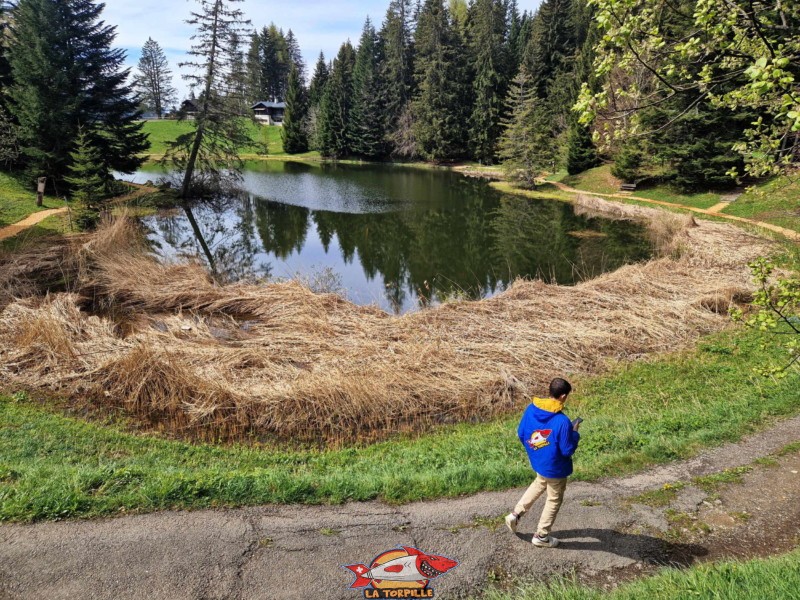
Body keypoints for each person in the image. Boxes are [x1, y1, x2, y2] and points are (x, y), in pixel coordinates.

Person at [505, 377, 581, 548]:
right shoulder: (562, 421)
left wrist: (535, 449)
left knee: (539, 483)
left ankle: (515, 515)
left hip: (539, 461)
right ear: (562, 396)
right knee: (553, 499)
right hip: (556, 468)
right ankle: (541, 535)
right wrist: (574, 433)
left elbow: (521, 433)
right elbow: (567, 450)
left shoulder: (531, 408)